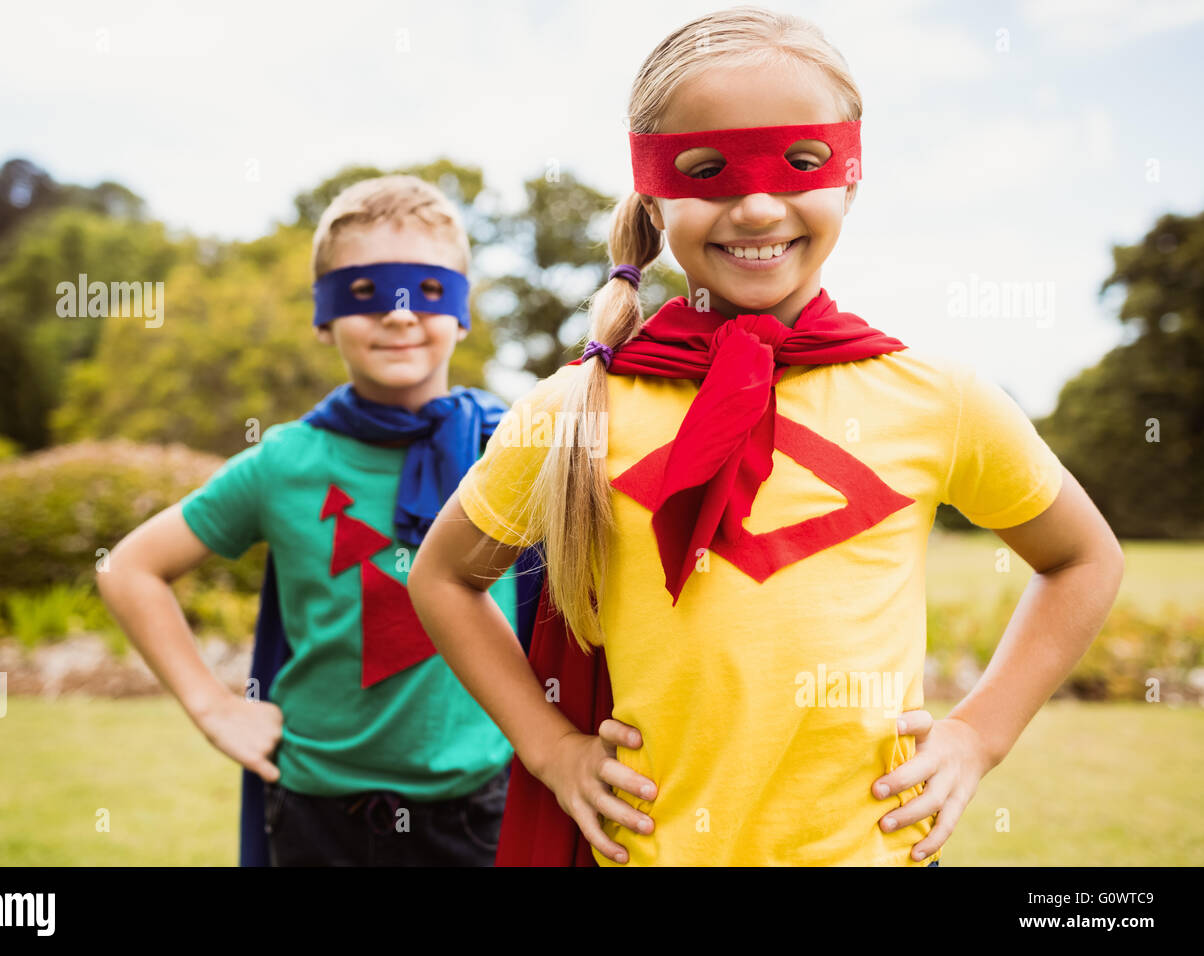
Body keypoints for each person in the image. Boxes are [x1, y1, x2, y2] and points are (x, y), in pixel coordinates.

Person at [405, 8, 1123, 866]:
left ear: (851, 178)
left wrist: (978, 736)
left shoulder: (939, 397)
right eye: (706, 171)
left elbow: (1084, 558)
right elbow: (446, 577)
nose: (754, 204)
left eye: (799, 162)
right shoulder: (575, 407)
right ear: (653, 195)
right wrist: (553, 750)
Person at [97, 174, 541, 866]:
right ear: (323, 314)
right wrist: (212, 707)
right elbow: (129, 568)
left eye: (425, 290)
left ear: (463, 310)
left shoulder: (514, 447)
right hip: (318, 816)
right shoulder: (286, 462)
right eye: (365, 292)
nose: (398, 316)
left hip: (480, 812)